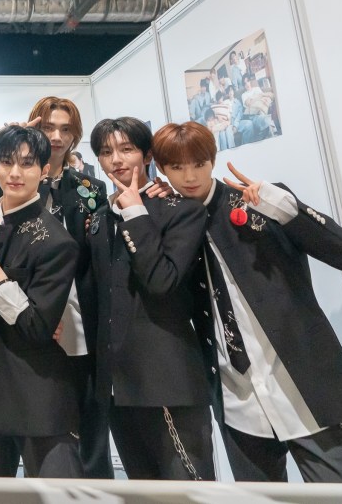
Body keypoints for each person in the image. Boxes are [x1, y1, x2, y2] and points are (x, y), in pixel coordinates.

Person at [150, 121, 342, 483]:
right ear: (161, 169)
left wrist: (288, 208)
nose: (189, 176)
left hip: (305, 387)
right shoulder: (168, 223)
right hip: (237, 400)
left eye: (199, 164)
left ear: (213, 160)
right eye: (176, 167)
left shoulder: (262, 202)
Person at [0, 95, 112, 477]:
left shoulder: (86, 188)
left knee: (74, 461)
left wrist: (49, 307)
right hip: (0, 359)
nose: (56, 136)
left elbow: (89, 262)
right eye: (48, 127)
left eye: (65, 129)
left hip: (63, 336)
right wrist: (5, 134)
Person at [83, 117, 214, 480]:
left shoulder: (181, 210)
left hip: (167, 379)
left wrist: (135, 212)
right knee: (142, 490)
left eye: (127, 149)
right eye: (106, 152)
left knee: (189, 489)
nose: (116, 159)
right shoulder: (99, 219)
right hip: (116, 385)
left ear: (147, 156)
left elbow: (161, 282)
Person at [0, 125, 82, 478]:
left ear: (44, 170)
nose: (15, 172)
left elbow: (36, 326)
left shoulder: (56, 240)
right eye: (6, 162)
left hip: (37, 394)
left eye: (27, 163)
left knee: (56, 493)